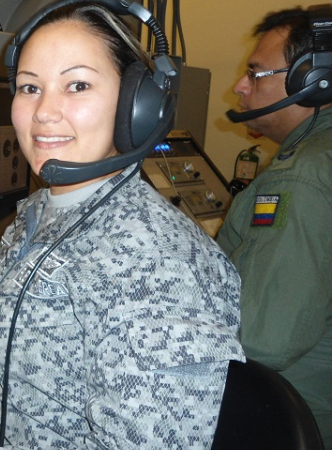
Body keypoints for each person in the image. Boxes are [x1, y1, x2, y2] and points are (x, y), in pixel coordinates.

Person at [0, 2, 244, 449]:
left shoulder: (155, 266)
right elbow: (17, 390)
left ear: (137, 106)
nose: (43, 112)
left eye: (77, 85)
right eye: (29, 87)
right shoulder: (37, 214)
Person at [217, 6, 332, 447]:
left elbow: (265, 340)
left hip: (289, 417)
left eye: (255, 73)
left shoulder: (300, 178)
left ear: (312, 79)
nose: (239, 87)